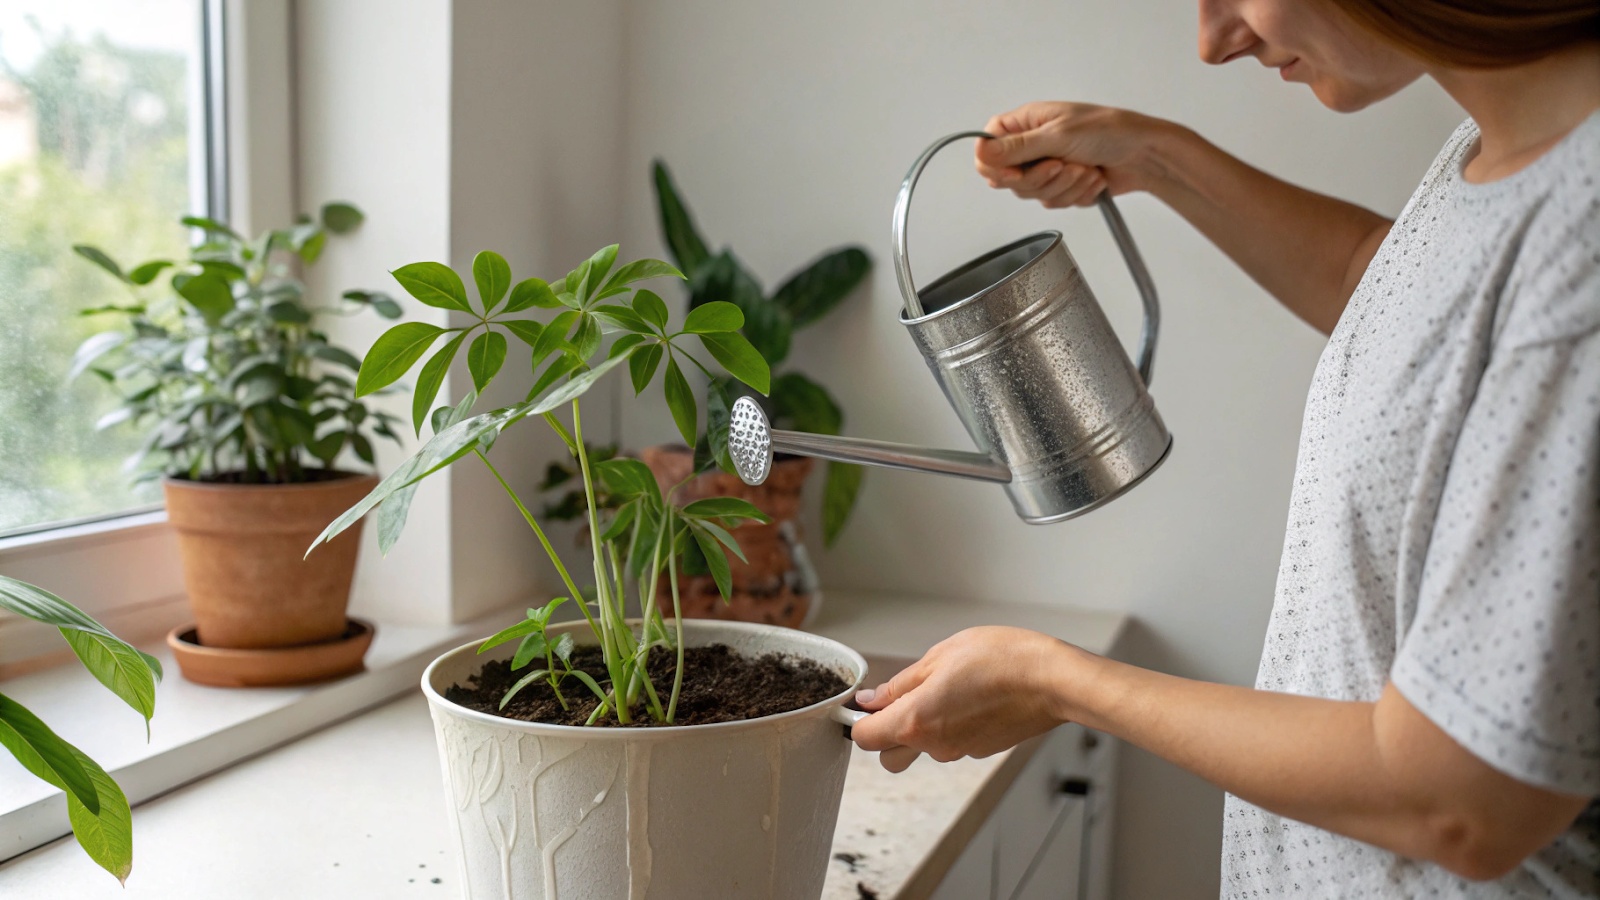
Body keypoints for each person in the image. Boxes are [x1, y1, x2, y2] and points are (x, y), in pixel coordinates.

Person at [848, 1, 1600, 895]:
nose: (1214, 41)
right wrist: (1158, 157)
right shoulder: (1506, 146)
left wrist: (1055, 683)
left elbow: (1461, 802)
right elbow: (1395, 293)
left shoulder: (1582, 245)